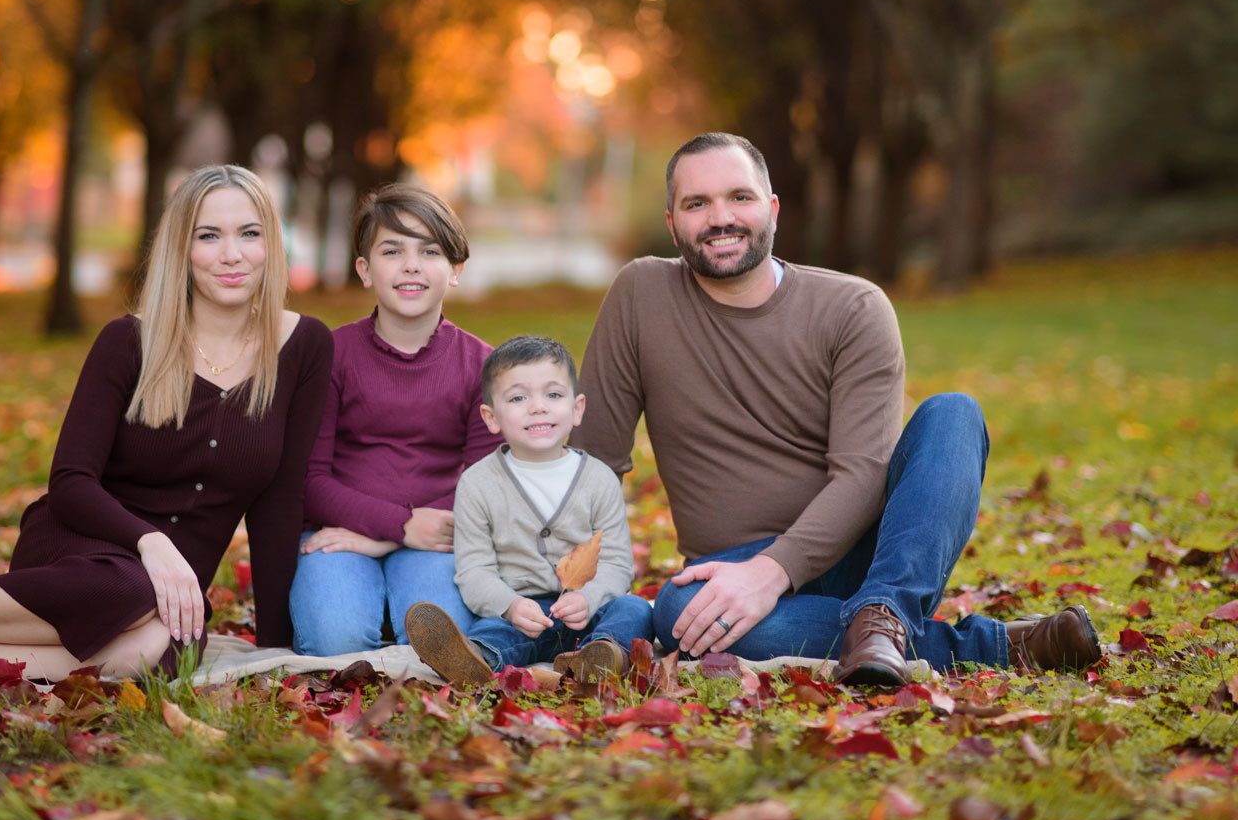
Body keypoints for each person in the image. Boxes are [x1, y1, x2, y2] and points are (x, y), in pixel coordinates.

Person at [572, 132, 1101, 685]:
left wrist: (773, 572)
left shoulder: (853, 307)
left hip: (867, 552)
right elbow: (592, 462)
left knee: (953, 414)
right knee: (682, 616)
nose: (720, 217)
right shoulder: (640, 295)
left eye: (740, 197)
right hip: (728, 565)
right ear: (672, 221)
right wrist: (561, 581)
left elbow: (863, 474)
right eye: (696, 204)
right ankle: (963, 641)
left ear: (772, 209)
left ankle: (886, 610)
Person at [0, 165, 333, 681]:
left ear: (271, 244)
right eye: (208, 236)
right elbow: (70, 483)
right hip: (80, 549)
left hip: (166, 594)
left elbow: (280, 502)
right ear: (181, 249)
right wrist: (151, 543)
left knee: (165, 648)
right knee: (130, 591)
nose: (232, 255)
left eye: (250, 234)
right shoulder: (127, 342)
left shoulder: (304, 346)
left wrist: (274, 646)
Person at [288, 184, 497, 655]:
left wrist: (394, 538)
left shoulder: (484, 367)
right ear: (364, 269)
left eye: (430, 251)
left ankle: (391, 605)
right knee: (334, 640)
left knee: (444, 644)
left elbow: (486, 481)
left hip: (437, 533)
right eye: (391, 250)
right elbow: (310, 478)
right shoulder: (331, 355)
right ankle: (366, 608)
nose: (411, 265)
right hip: (338, 527)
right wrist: (396, 526)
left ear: (456, 270)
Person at [405, 335, 653, 684]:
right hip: (521, 616)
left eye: (553, 395)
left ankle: (600, 656)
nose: (538, 407)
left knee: (635, 609)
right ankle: (475, 658)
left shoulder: (599, 479)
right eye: (518, 398)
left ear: (577, 408)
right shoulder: (478, 484)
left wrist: (590, 597)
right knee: (493, 631)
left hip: (589, 612)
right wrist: (510, 605)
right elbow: (474, 571)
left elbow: (616, 562)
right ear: (491, 418)